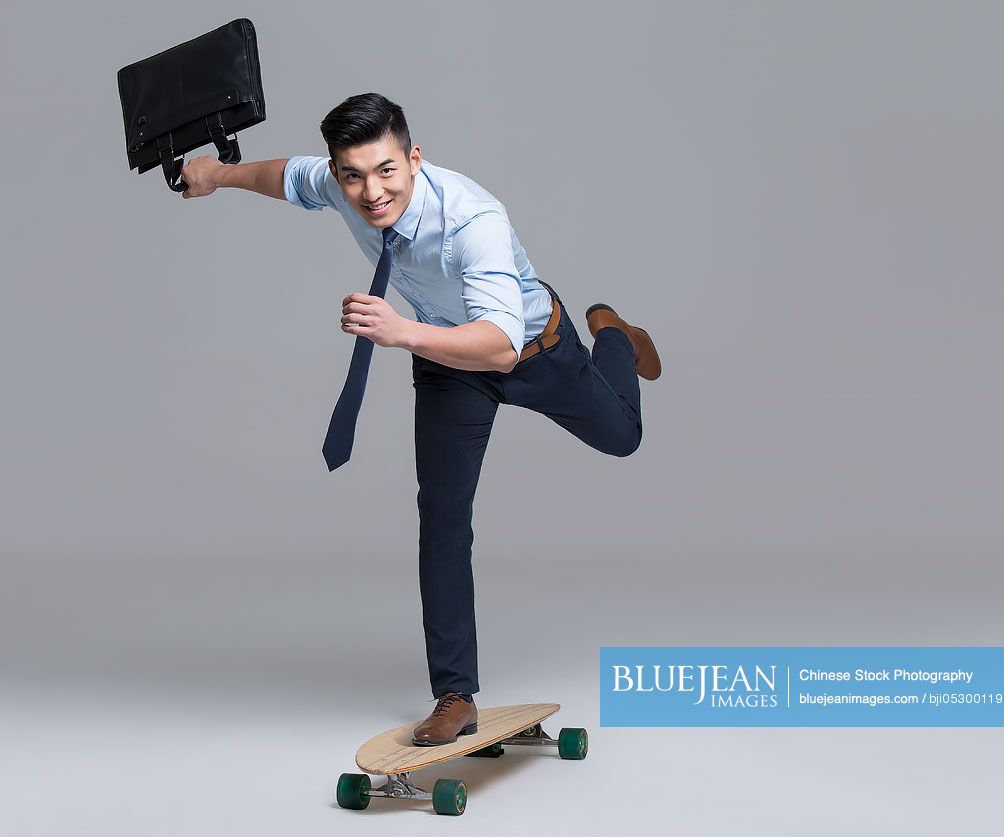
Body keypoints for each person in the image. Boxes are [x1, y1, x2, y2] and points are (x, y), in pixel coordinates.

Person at [178, 92, 660, 746]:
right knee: (441, 516)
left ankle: (613, 337)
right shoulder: (339, 182)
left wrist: (400, 330)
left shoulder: (473, 222)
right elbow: (285, 176)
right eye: (352, 175)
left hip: (531, 349)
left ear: (413, 158)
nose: (370, 193)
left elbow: (498, 343)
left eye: (385, 172)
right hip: (443, 355)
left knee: (623, 437)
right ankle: (455, 693)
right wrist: (217, 175)